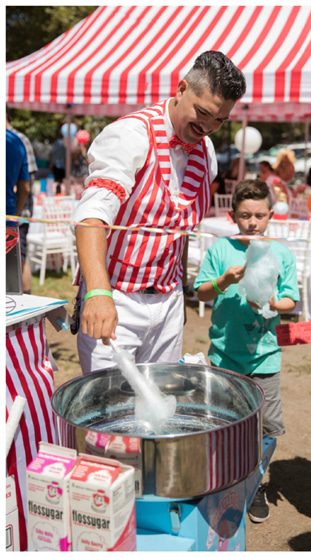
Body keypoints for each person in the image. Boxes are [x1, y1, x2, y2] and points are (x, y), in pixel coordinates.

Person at [72, 51, 246, 373]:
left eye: (220, 120)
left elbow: (180, 234)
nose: (208, 127)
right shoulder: (130, 135)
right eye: (203, 112)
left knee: (159, 413)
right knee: (110, 412)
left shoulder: (206, 150)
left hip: (167, 301)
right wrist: (97, 292)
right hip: (117, 296)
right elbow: (90, 218)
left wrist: (177, 293)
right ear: (181, 89)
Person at [194, 179, 299, 523]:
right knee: (225, 423)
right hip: (225, 356)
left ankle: (254, 485)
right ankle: (226, 483)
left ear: (271, 215)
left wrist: (272, 302)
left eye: (259, 216)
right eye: (244, 216)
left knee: (267, 428)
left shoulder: (280, 253)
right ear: (232, 216)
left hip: (266, 357)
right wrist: (225, 281)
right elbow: (202, 293)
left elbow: (290, 300)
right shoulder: (220, 250)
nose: (252, 223)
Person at [7, 113, 38, 293]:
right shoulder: (19, 140)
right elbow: (26, 185)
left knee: (20, 260)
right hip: (14, 212)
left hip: (18, 212)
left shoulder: (18, 140)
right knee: (18, 260)